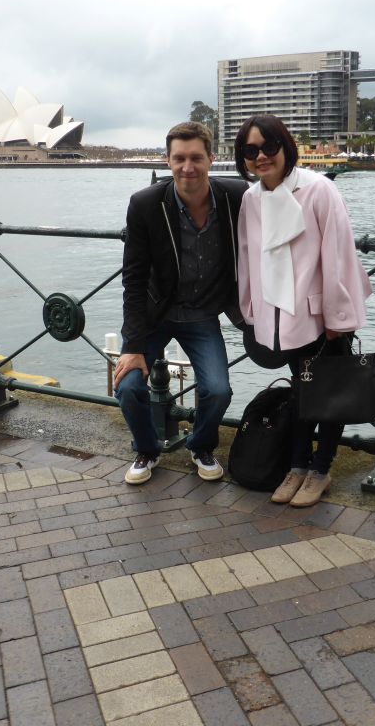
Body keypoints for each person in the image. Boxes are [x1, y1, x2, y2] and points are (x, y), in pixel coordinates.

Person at [234, 114, 372, 507]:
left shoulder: (319, 189)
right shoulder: (251, 198)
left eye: (269, 147)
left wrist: (337, 317)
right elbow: (248, 257)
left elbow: (338, 255)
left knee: (328, 391)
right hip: (278, 314)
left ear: (285, 147)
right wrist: (250, 309)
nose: (261, 156)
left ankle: (320, 469)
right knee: (302, 390)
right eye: (250, 150)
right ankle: (297, 465)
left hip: (319, 314)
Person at [115, 121, 248, 485]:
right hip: (156, 313)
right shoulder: (145, 204)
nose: (187, 167)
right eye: (179, 158)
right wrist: (134, 345)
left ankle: (200, 445)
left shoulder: (236, 196)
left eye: (195, 158)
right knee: (127, 386)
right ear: (168, 160)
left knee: (218, 390)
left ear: (211, 158)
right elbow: (134, 277)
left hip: (203, 314)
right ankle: (147, 449)